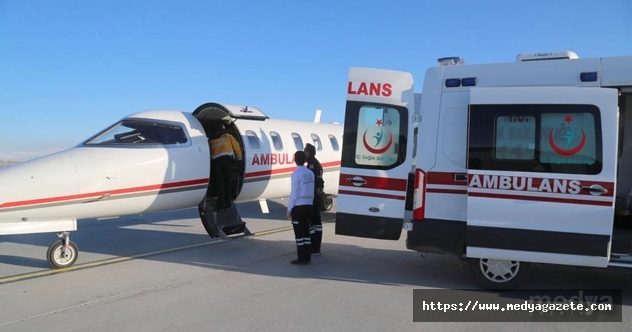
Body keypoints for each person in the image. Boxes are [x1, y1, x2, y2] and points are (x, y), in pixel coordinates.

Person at [287, 150, 315, 265]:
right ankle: (307, 257)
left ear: (295, 160)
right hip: (308, 205)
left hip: (298, 206)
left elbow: (294, 192)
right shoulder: (310, 173)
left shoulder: (296, 174)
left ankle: (301, 257)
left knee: (299, 234)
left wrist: (289, 208)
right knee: (306, 232)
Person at [209, 122, 243, 211]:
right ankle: (228, 203)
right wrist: (239, 160)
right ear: (223, 127)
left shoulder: (210, 140)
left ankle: (220, 204)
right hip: (228, 162)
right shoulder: (228, 136)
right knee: (227, 182)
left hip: (216, 163)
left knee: (219, 183)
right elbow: (237, 148)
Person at [304, 143, 324, 255]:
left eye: (305, 150)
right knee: (317, 222)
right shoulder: (317, 163)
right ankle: (317, 245)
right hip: (316, 195)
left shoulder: (311, 164)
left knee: (312, 222)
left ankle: (314, 246)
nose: (304, 152)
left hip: (313, 196)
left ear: (309, 152)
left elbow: (313, 180)